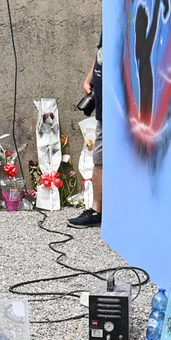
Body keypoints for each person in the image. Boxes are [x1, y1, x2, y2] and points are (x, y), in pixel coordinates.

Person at [69, 34, 103, 228]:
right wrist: (89, 78)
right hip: (102, 105)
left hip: (116, 105)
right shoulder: (109, 16)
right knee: (99, 158)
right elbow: (101, 52)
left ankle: (99, 210)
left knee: (102, 158)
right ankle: (97, 210)